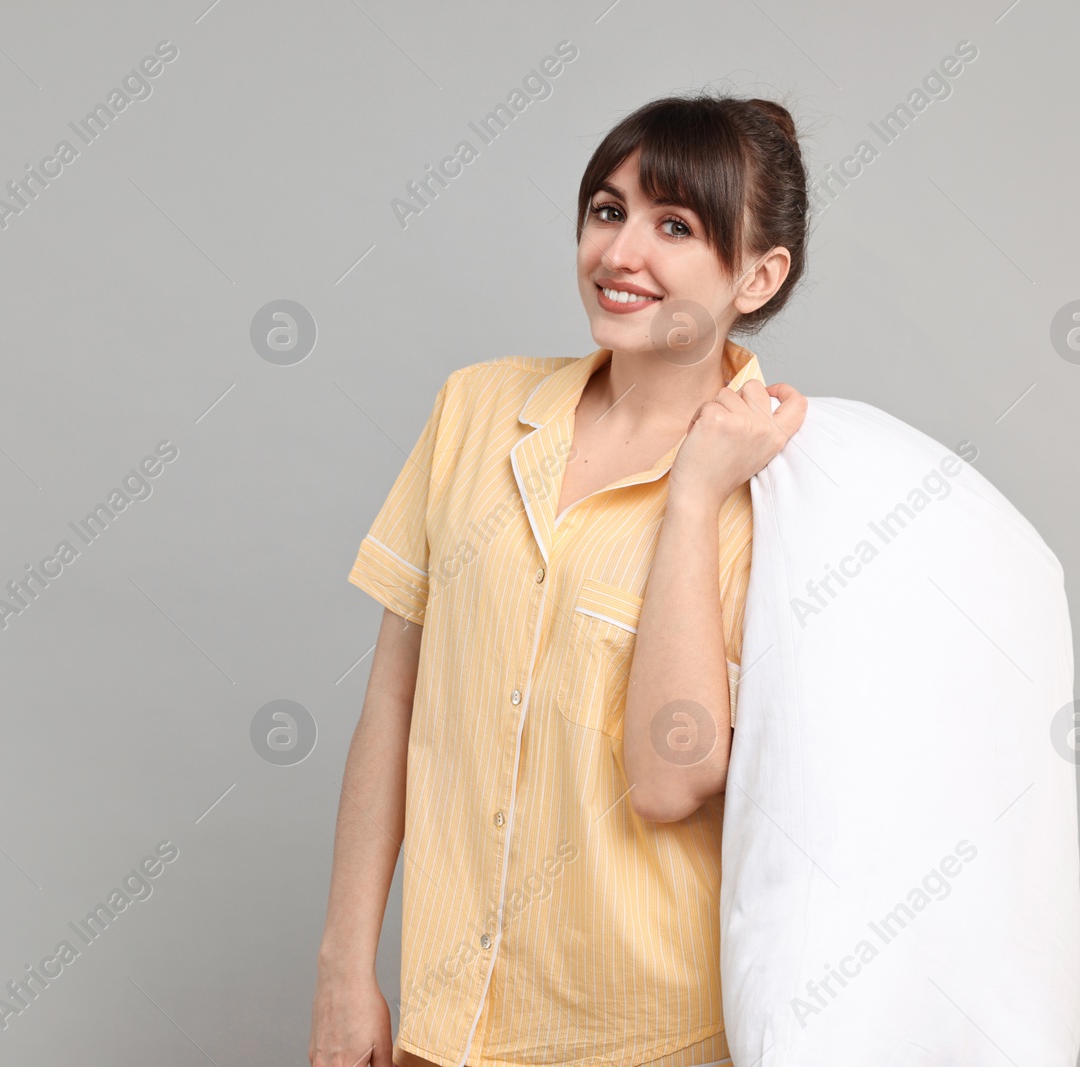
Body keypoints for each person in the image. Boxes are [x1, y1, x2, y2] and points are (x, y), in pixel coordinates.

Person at [311, 91, 810, 1067]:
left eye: (675, 225)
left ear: (758, 273)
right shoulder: (475, 408)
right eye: (607, 209)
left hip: (645, 1034)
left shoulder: (785, 492)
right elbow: (392, 700)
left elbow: (674, 779)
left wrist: (696, 493)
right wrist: (341, 967)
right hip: (445, 1023)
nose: (621, 252)